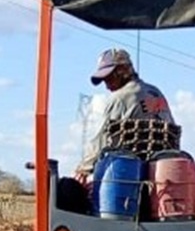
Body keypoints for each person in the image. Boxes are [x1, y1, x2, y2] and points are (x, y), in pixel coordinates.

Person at [75, 48, 176, 181]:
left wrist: (82, 169)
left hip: (129, 170)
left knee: (70, 188)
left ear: (122, 72)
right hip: (165, 166)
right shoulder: (156, 93)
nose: (107, 86)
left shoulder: (119, 99)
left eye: (109, 78)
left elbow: (102, 141)